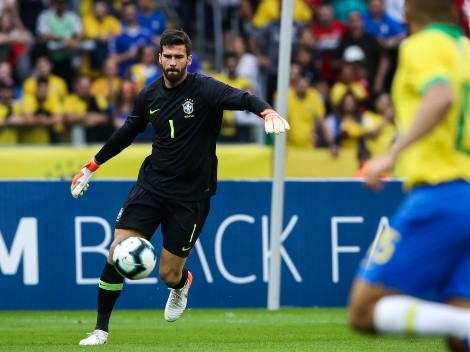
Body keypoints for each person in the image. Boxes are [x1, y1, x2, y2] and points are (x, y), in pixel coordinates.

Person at [70, 29, 289, 346]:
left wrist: (266, 110)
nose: (172, 62)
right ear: (159, 59)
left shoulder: (205, 89)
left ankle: (182, 282)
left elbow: (244, 97)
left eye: (178, 57)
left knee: (168, 274)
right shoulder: (149, 95)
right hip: (151, 186)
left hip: (191, 198)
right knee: (117, 252)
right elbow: (129, 130)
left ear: (188, 59)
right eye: (167, 56)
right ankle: (100, 330)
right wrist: (92, 165)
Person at [348, 1, 470, 351]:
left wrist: (390, 154)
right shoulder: (465, 49)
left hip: (441, 195)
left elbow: (441, 94)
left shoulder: (420, 46)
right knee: (459, 340)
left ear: (406, 14)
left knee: (363, 310)